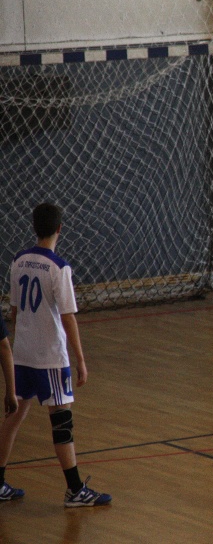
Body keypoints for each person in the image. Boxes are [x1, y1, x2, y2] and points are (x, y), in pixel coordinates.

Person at [0, 203, 111, 506]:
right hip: (49, 357)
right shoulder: (58, 268)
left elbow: (14, 311)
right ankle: (75, 490)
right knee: (62, 423)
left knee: (13, 417)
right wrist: (81, 360)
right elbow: (68, 317)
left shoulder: (18, 260)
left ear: (33, 227)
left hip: (22, 354)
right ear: (60, 229)